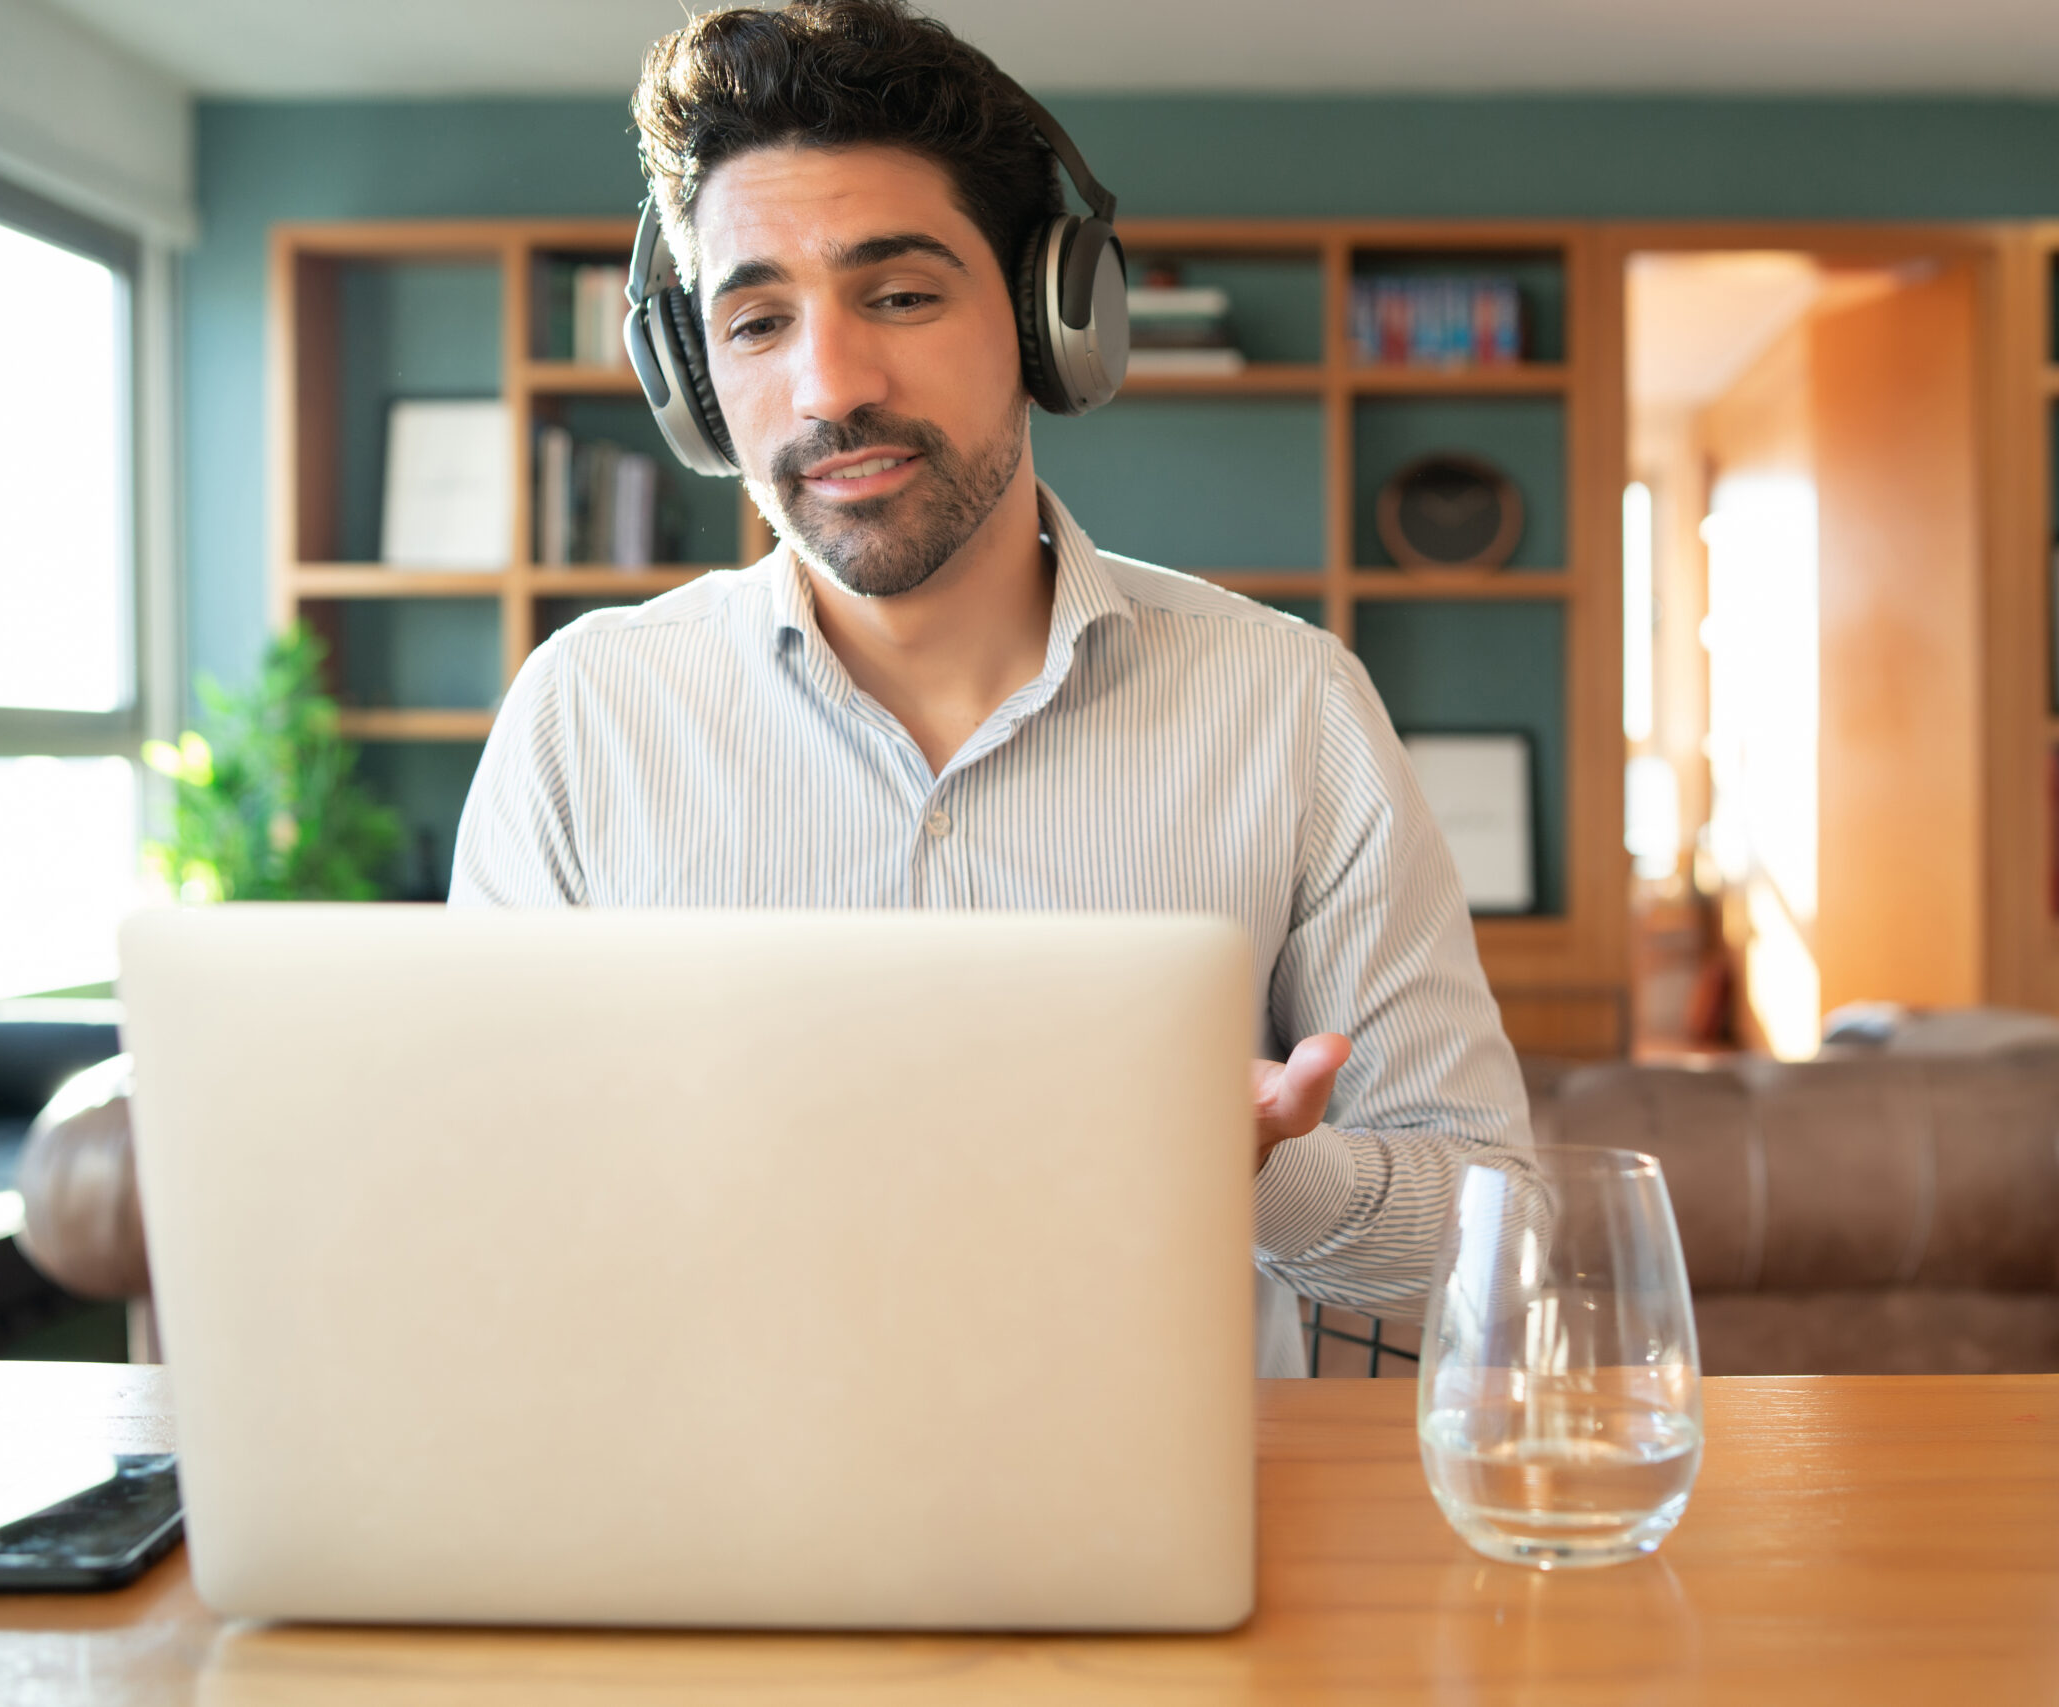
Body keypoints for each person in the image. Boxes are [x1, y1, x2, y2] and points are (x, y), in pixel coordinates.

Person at [451, 0, 1530, 1377]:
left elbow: (1488, 1226)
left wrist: (1253, 1169)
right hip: (700, 1486)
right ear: (695, 383)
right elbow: (476, 1210)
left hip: (1154, 1493)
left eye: (900, 295)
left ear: (1048, 319)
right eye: (758, 319)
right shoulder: (584, 716)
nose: (829, 386)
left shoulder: (1291, 708)